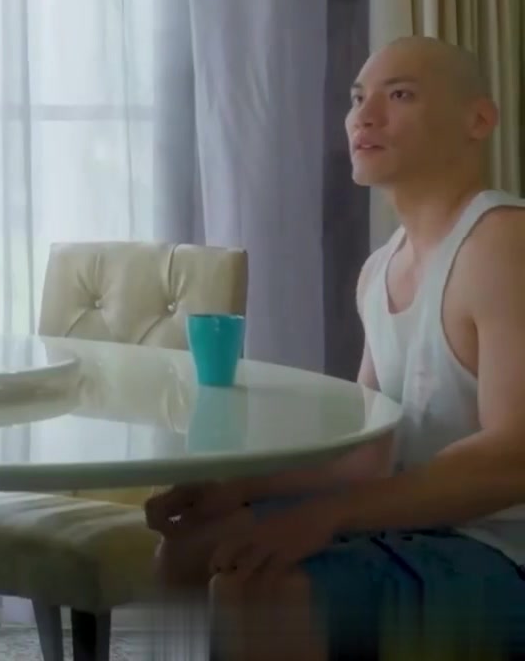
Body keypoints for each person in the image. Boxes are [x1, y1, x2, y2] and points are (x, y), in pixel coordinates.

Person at [143, 36, 525, 659]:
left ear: (478, 120)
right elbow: (372, 449)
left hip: (500, 547)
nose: (362, 116)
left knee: (258, 588)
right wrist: (241, 488)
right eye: (356, 98)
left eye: (399, 95)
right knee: (190, 547)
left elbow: (515, 456)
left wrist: (328, 515)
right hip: (414, 523)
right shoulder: (379, 270)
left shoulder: (504, 242)